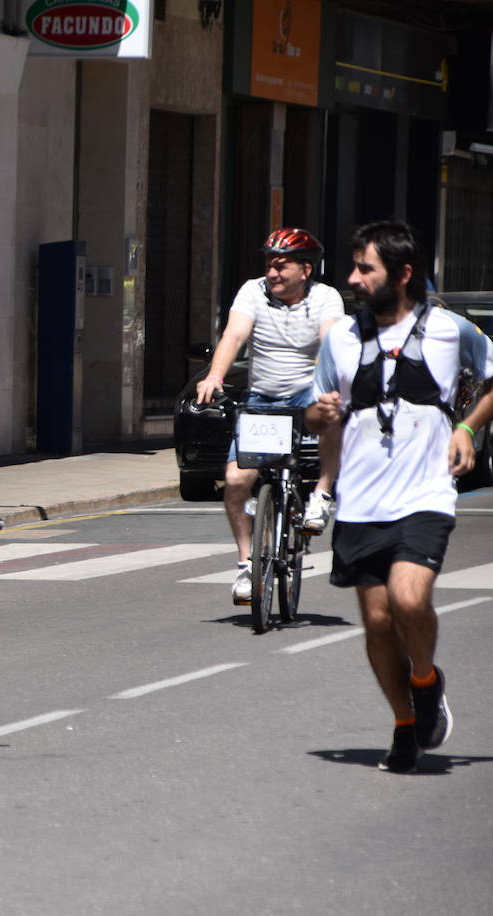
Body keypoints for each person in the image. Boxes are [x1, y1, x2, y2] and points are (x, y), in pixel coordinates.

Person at [306, 220, 493, 774]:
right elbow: (314, 412)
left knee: (410, 601)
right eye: (354, 267)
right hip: (361, 502)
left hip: (426, 494)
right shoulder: (341, 338)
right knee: (380, 624)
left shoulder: (449, 329)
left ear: (403, 274)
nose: (353, 279)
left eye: (366, 269)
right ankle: (405, 724)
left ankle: (426, 682)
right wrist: (319, 415)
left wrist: (467, 428)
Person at [195, 228, 344, 606]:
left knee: (332, 414)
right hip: (264, 399)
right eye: (269, 265)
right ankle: (247, 565)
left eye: (282, 266)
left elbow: (331, 342)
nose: (273, 273)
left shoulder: (326, 298)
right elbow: (234, 335)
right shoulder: (253, 291)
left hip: (307, 394)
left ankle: (322, 494)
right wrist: (215, 376)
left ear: (306, 270)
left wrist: (332, 386)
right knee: (235, 480)